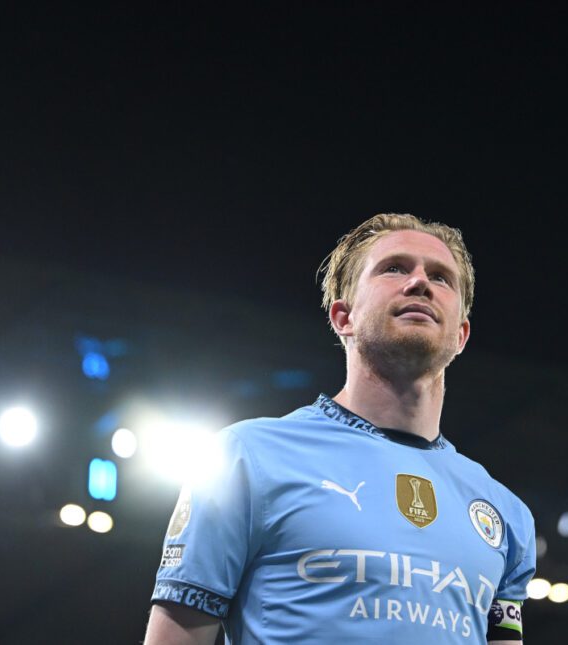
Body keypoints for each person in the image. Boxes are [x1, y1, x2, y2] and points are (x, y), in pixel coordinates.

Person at [144, 214, 536, 644]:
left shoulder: (505, 513)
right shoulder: (247, 458)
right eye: (395, 268)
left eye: (441, 277)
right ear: (342, 317)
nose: (420, 282)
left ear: (461, 335)